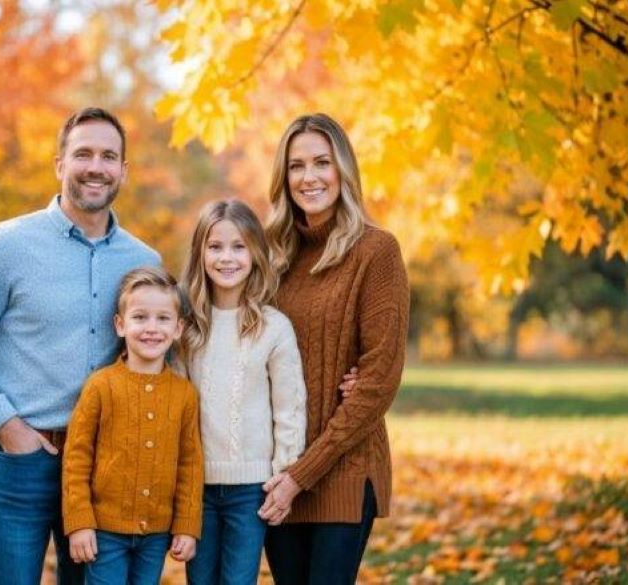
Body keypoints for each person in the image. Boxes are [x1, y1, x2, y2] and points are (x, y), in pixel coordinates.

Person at [0, 107, 160, 585]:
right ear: (60, 164)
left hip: (105, 467)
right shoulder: (7, 245)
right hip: (25, 461)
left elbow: (161, 355)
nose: (96, 166)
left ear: (123, 170)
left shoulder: (144, 261)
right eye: (83, 154)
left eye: (108, 156)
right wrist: (8, 427)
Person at [257, 113, 410, 584]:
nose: (309, 177)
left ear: (343, 169)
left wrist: (303, 474)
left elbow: (377, 382)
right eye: (296, 165)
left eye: (322, 162)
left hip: (342, 467)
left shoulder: (376, 251)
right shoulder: (271, 257)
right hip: (277, 467)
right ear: (283, 178)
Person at [176, 199, 307, 584]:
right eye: (215, 247)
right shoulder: (186, 328)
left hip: (251, 490)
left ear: (255, 253)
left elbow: (289, 409)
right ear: (200, 253)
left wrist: (284, 476)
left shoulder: (273, 327)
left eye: (239, 246)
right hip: (196, 488)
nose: (227, 258)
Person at [62, 266, 203, 585]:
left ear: (179, 328)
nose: (152, 328)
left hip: (156, 534)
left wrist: (186, 525)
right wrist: (80, 522)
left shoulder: (184, 394)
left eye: (163, 318)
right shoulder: (101, 386)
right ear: (120, 324)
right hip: (104, 531)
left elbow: (190, 464)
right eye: (140, 317)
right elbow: (76, 458)